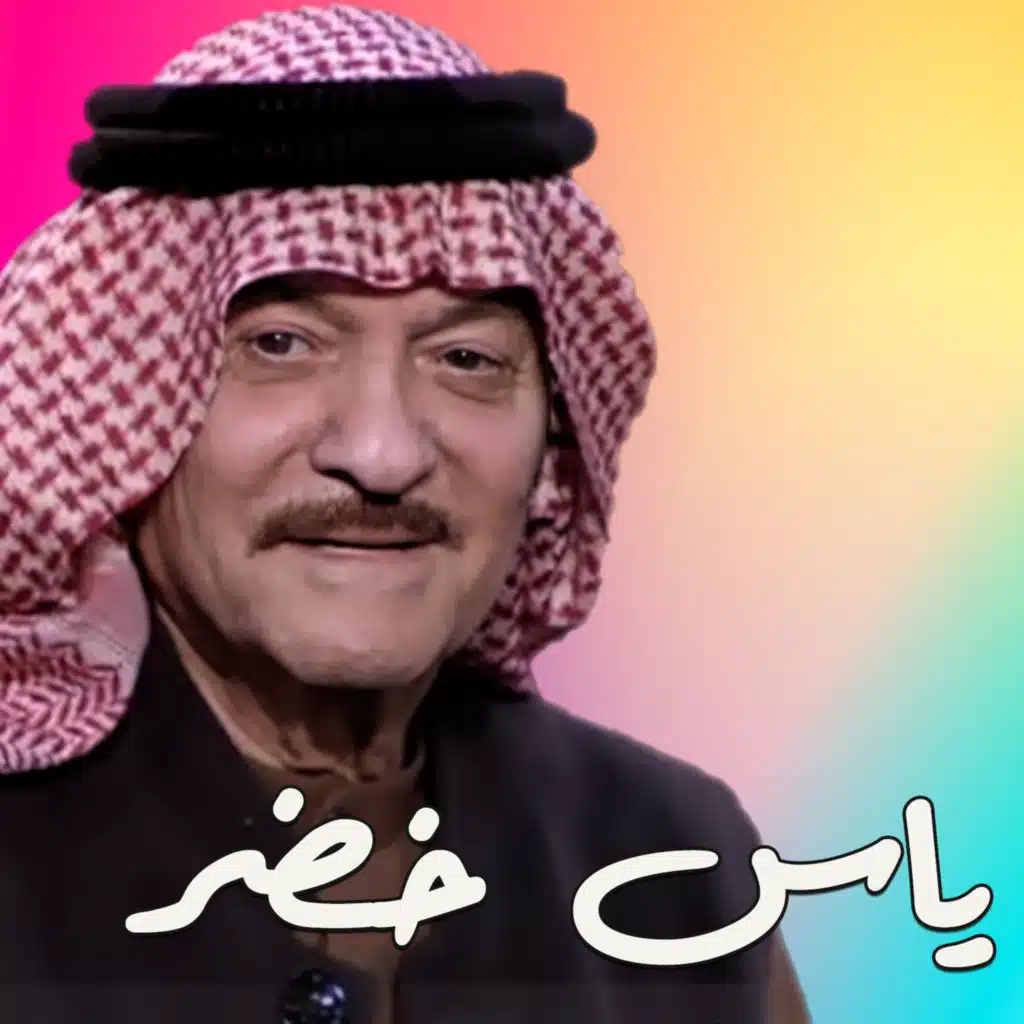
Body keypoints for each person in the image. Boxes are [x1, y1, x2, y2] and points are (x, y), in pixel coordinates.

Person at [0, 6, 811, 1024]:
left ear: (552, 438)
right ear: (124, 398)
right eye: (280, 345)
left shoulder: (675, 864)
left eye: (466, 359)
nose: (382, 454)